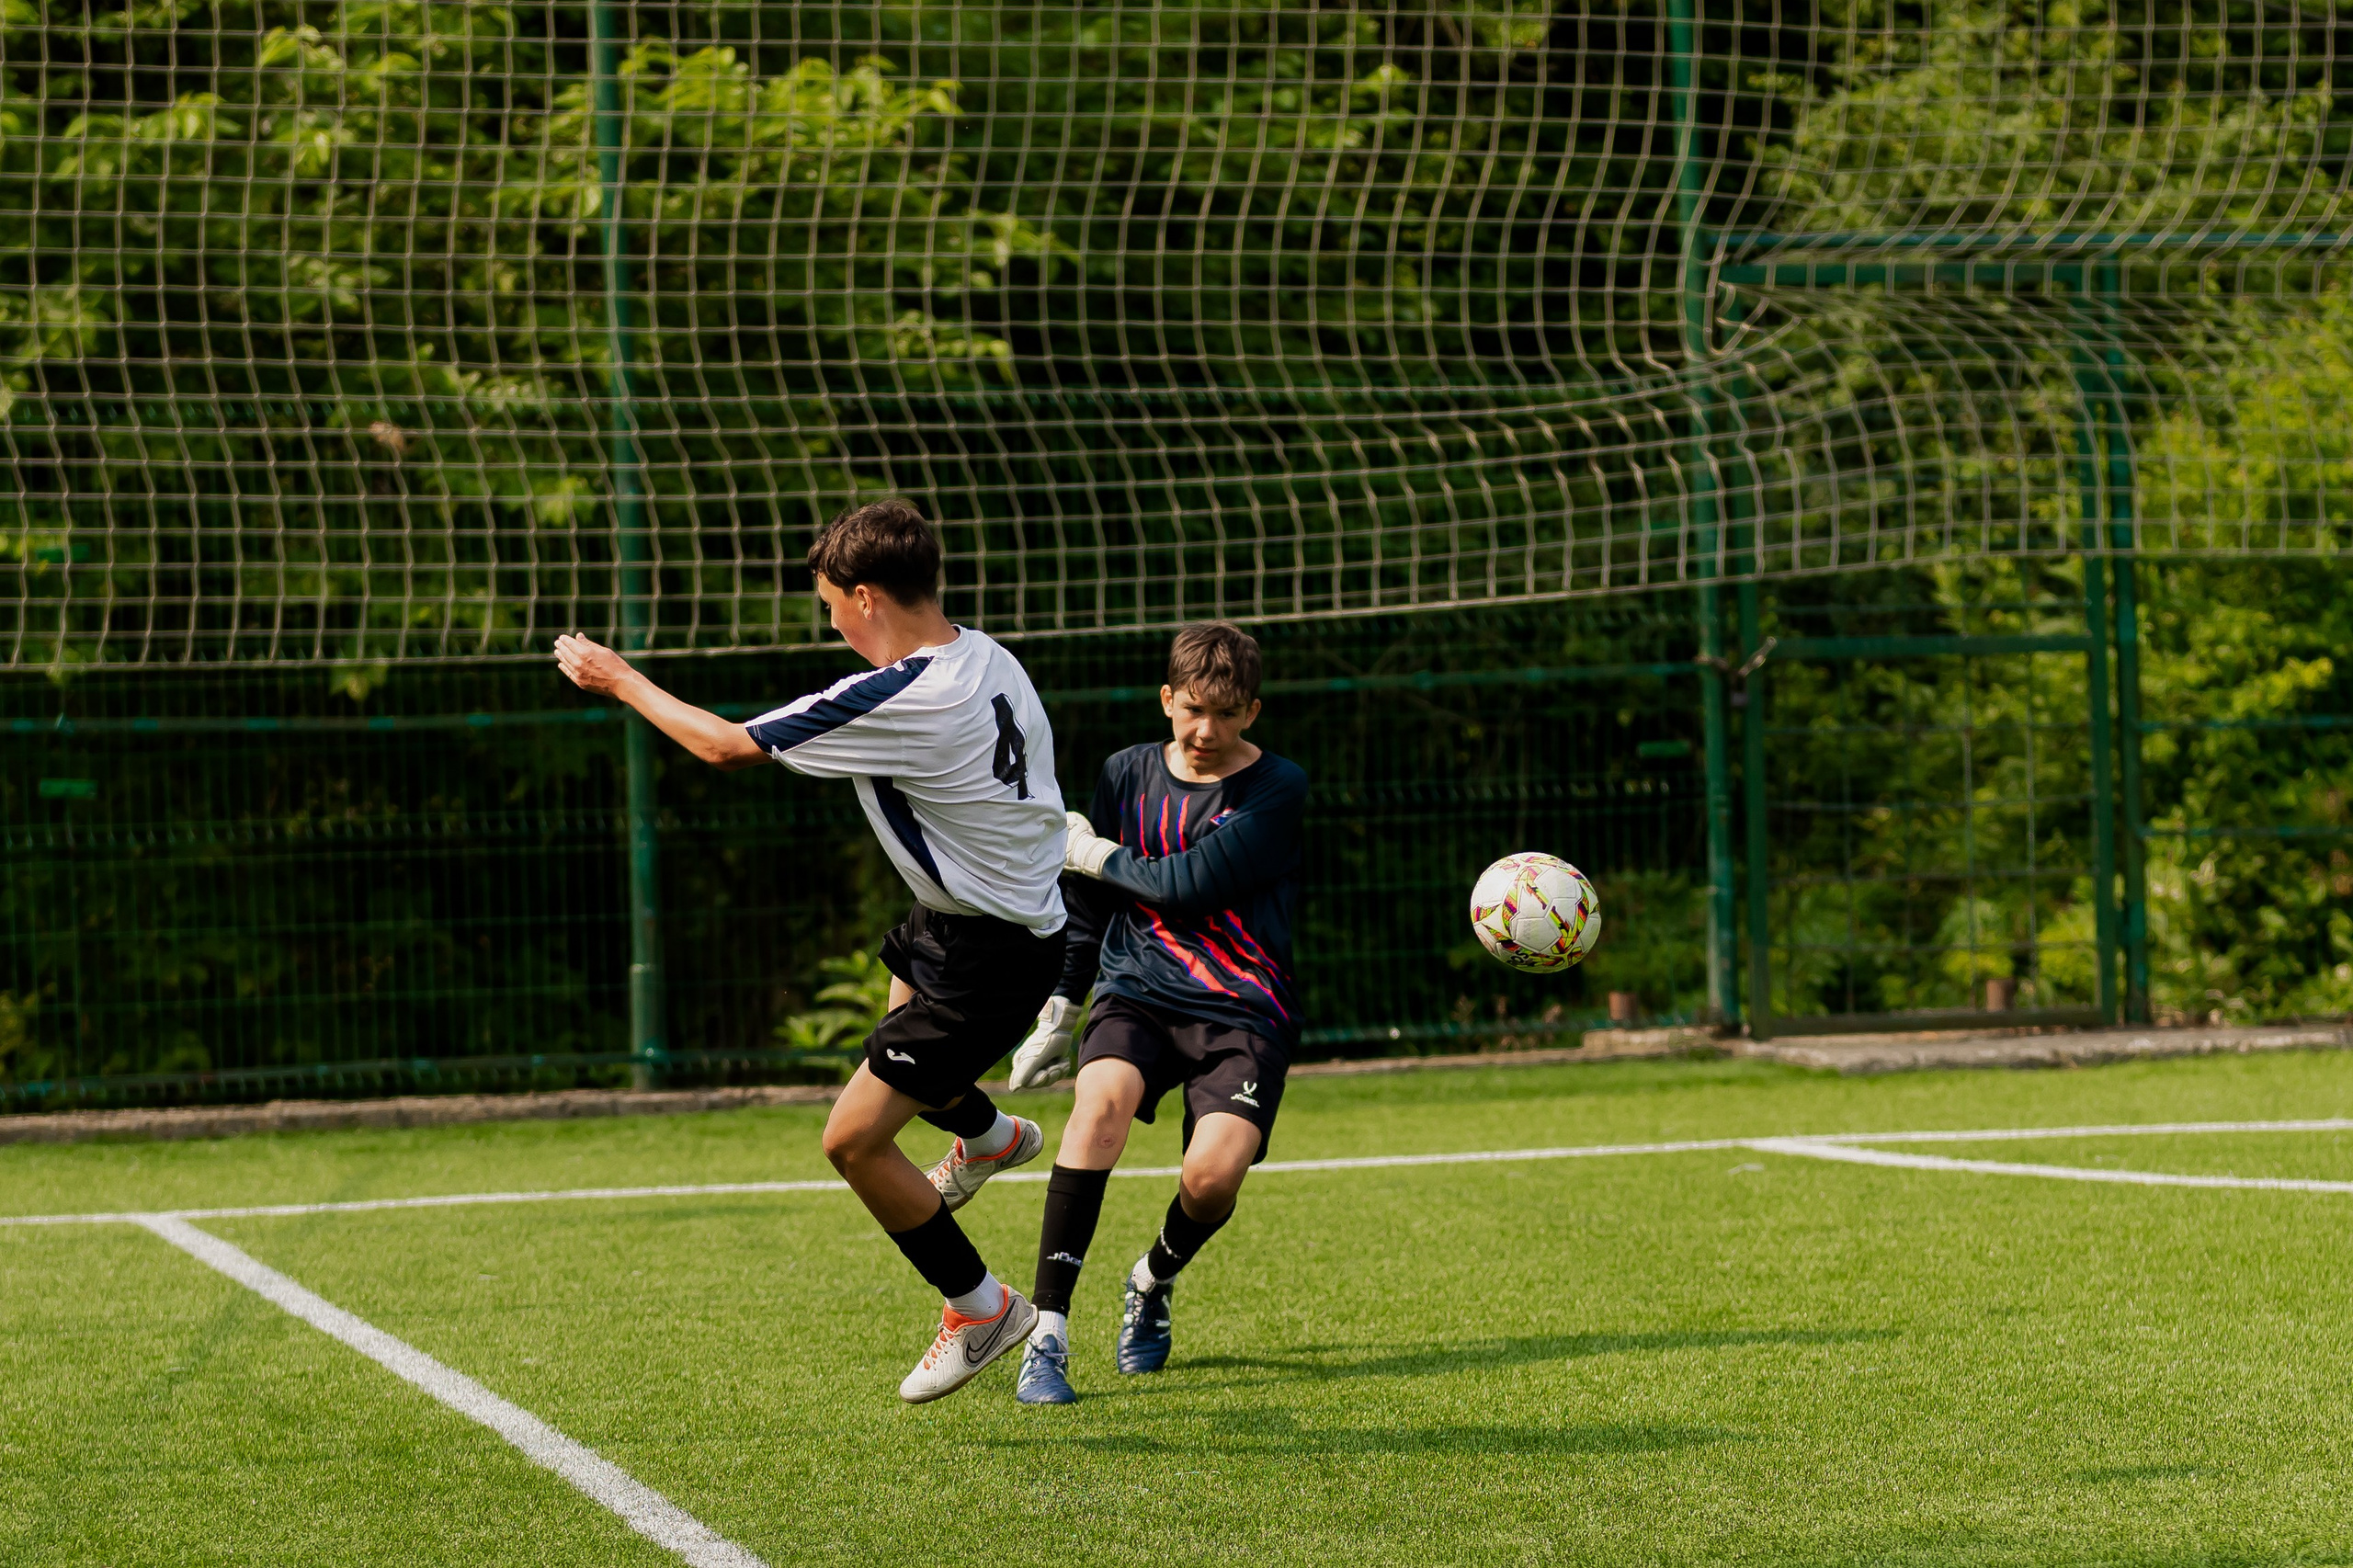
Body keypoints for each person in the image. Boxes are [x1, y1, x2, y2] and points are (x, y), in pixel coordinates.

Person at [553, 498, 1064, 1404]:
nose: (831, 622)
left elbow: (722, 746)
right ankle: (988, 1137)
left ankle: (981, 1308)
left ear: (865, 596)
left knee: (853, 1141)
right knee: (896, 1037)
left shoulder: (904, 695)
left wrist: (619, 678)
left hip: (989, 954)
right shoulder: (987, 655)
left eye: (831, 604)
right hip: (969, 922)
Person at [1003, 620, 1307, 1405]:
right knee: (1097, 1111)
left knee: (1212, 1178)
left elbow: (1186, 885)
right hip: (1136, 988)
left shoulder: (1278, 788)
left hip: (1244, 1007)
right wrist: (1064, 1004)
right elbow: (1091, 903)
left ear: (1253, 712)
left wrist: (1092, 851)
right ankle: (1046, 1336)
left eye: (1227, 714)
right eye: (1194, 709)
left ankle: (1152, 1277)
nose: (1207, 730)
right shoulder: (1126, 772)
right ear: (1167, 699)